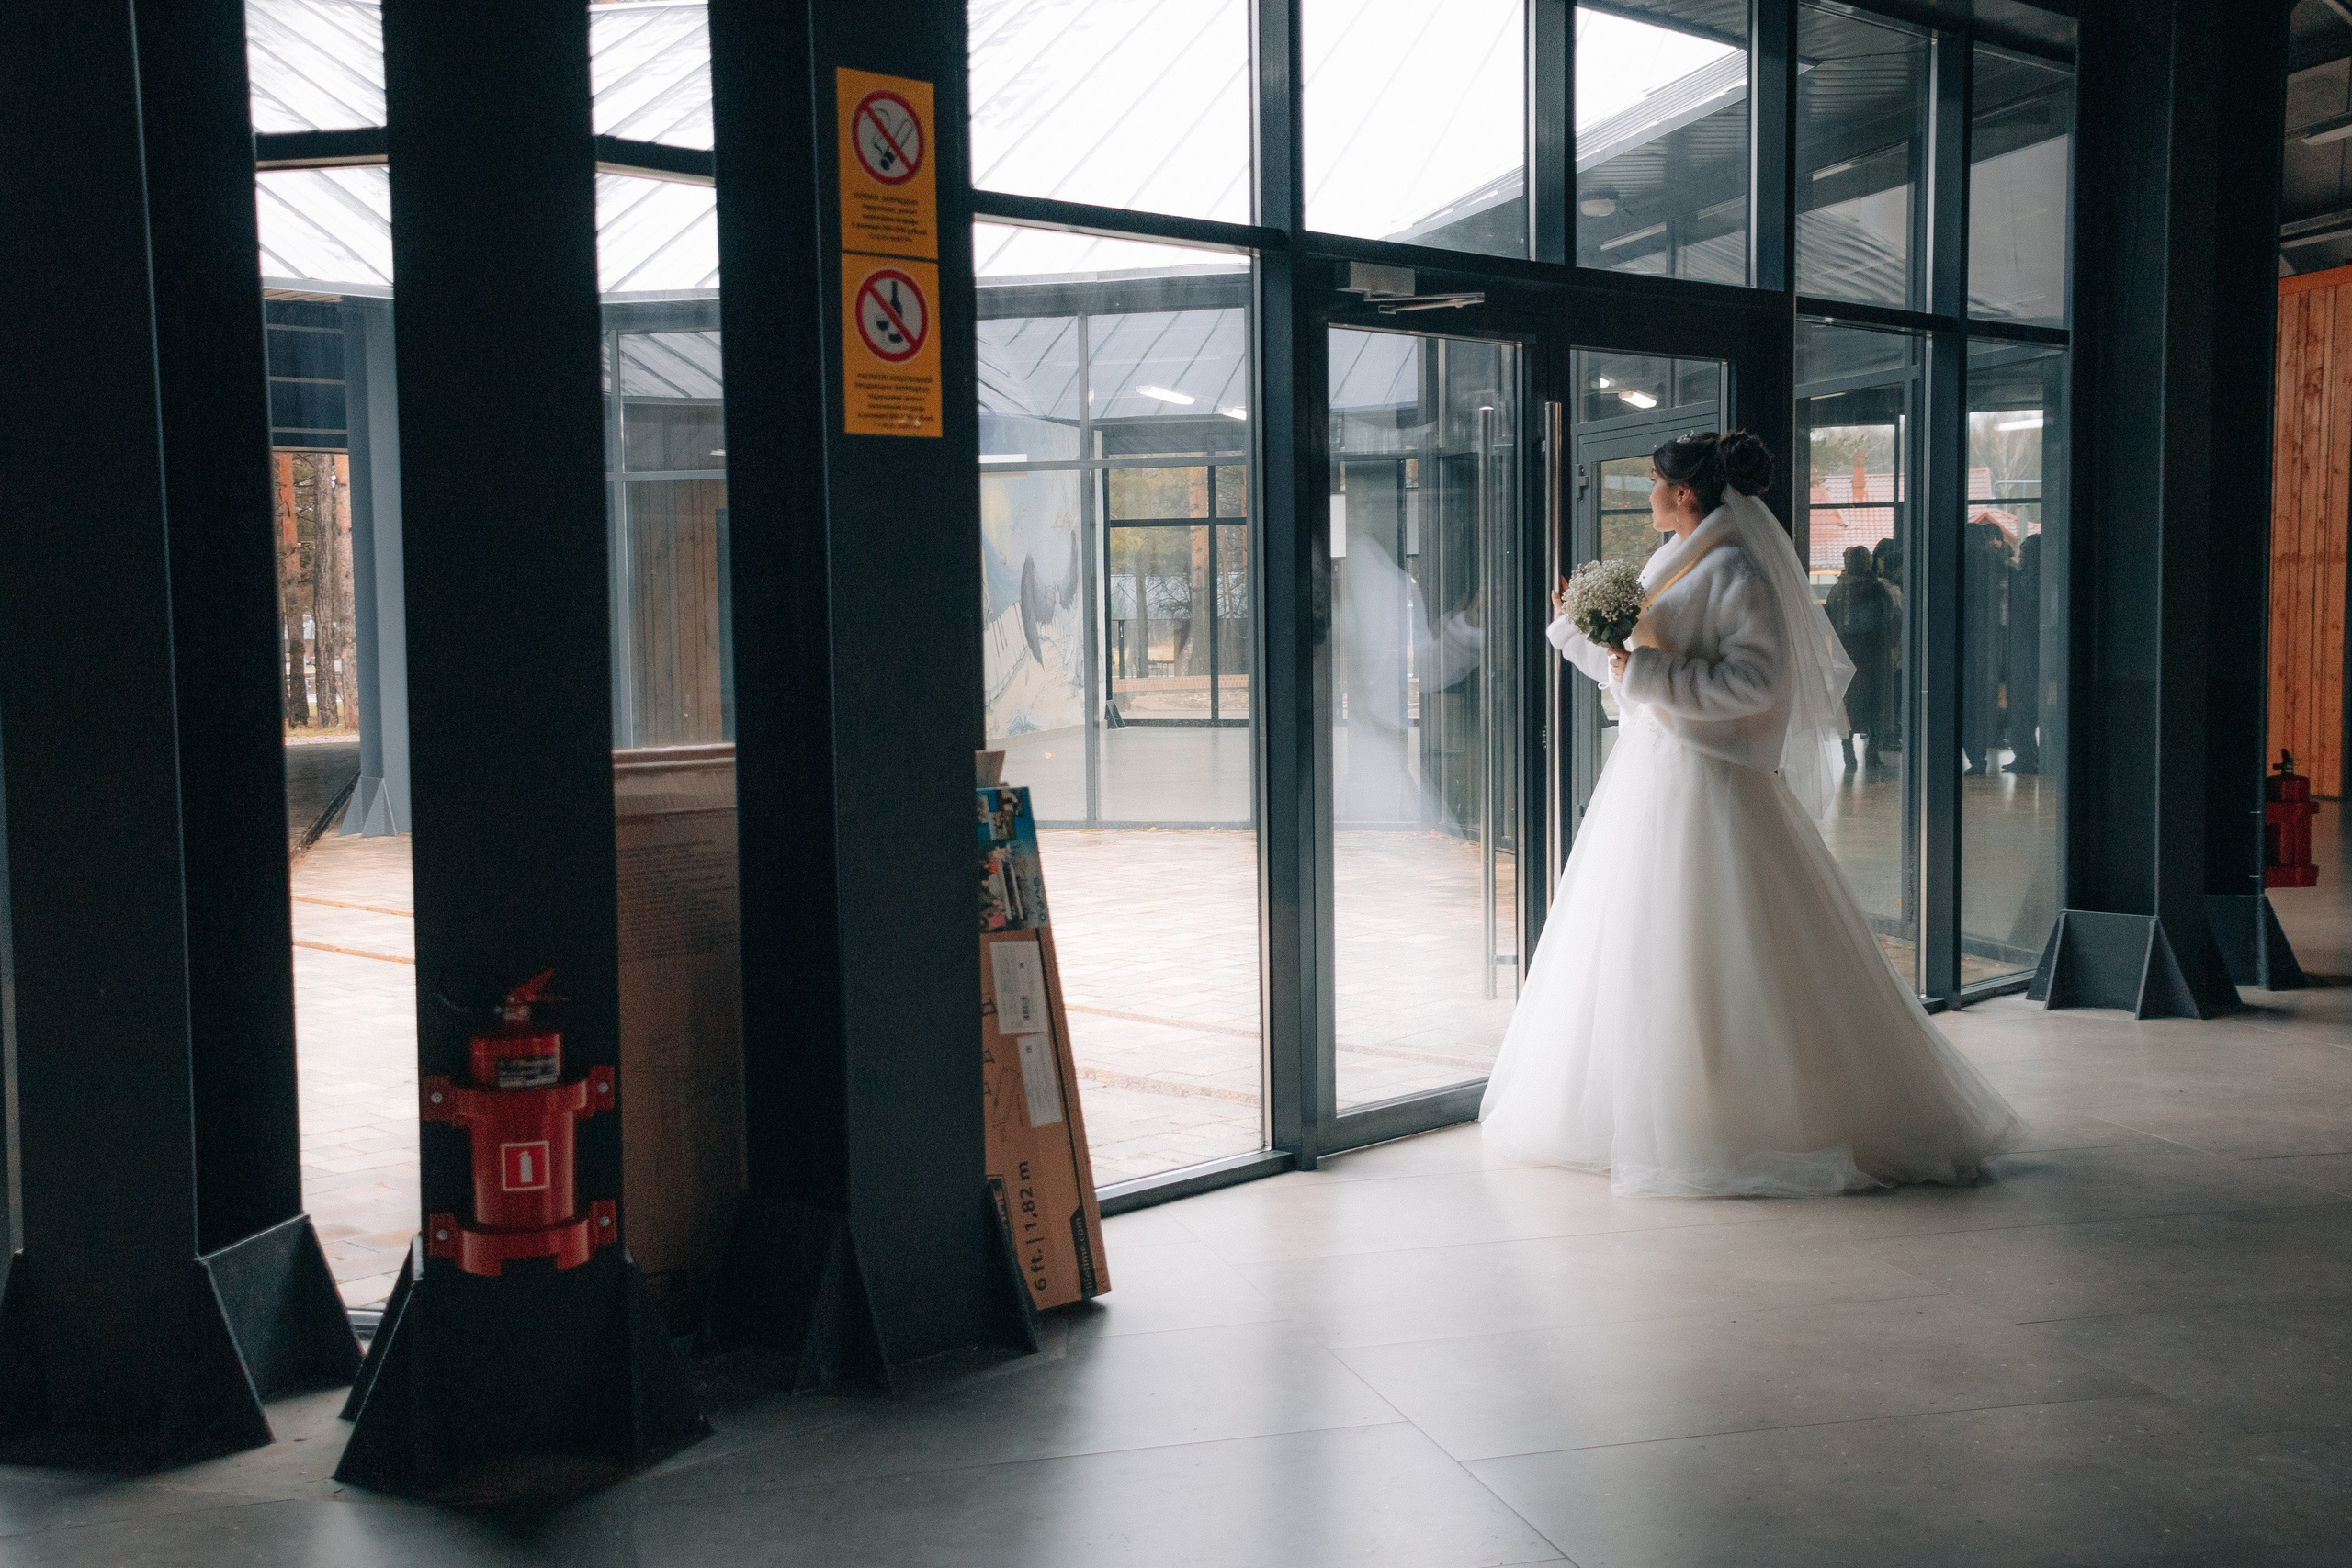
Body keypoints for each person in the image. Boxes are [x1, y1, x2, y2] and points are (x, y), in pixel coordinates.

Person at [1480, 431, 2023, 1196]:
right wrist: (1583, 626)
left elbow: (1756, 683)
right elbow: (1632, 669)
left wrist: (1649, 672)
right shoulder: (1677, 559)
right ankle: (1655, 1109)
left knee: (1719, 944)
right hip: (1655, 775)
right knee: (1648, 943)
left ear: (1685, 493)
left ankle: (1736, 1116)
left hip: (1709, 782)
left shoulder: (1734, 569)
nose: (1649, 492)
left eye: (1656, 480)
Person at [1824, 544, 1899, 772]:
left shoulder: (1837, 591)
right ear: (1868, 563)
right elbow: (1893, 620)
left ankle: (1849, 754)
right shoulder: (1878, 589)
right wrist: (1889, 647)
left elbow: (1828, 625)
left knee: (1847, 707)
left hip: (1846, 658)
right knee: (1877, 706)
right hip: (1876, 657)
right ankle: (1872, 753)